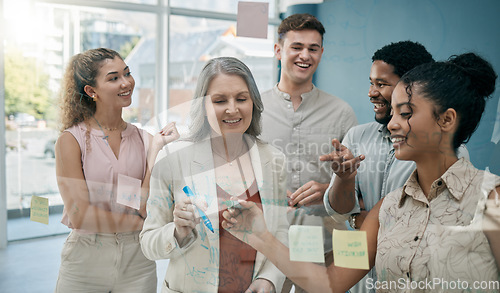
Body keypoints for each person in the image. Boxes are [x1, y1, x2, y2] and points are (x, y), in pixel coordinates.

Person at [222, 52, 500, 292]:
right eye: (392, 113)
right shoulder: (388, 208)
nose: (392, 124)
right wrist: (260, 235)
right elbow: (329, 283)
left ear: (446, 120)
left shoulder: (490, 199)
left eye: (405, 113)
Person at [140, 57, 289, 293]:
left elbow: (282, 233)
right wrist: (178, 231)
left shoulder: (274, 160)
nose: (232, 109)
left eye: (241, 98)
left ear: (254, 103)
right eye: (220, 101)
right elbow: (148, 243)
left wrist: (269, 278)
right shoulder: (173, 158)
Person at [54, 48, 179, 292]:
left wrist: (154, 153)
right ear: (91, 91)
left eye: (127, 74)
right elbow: (81, 215)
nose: (126, 83)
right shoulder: (71, 141)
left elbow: (144, 206)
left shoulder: (146, 140)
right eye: (113, 78)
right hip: (85, 261)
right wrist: (139, 221)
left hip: (138, 261)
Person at [259, 13, 357, 292]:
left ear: (321, 53)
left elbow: (356, 184)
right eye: (296, 47)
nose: (305, 55)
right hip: (268, 247)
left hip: (324, 247)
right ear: (278, 50)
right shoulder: (254, 110)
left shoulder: (342, 112)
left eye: (313, 48)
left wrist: (329, 188)